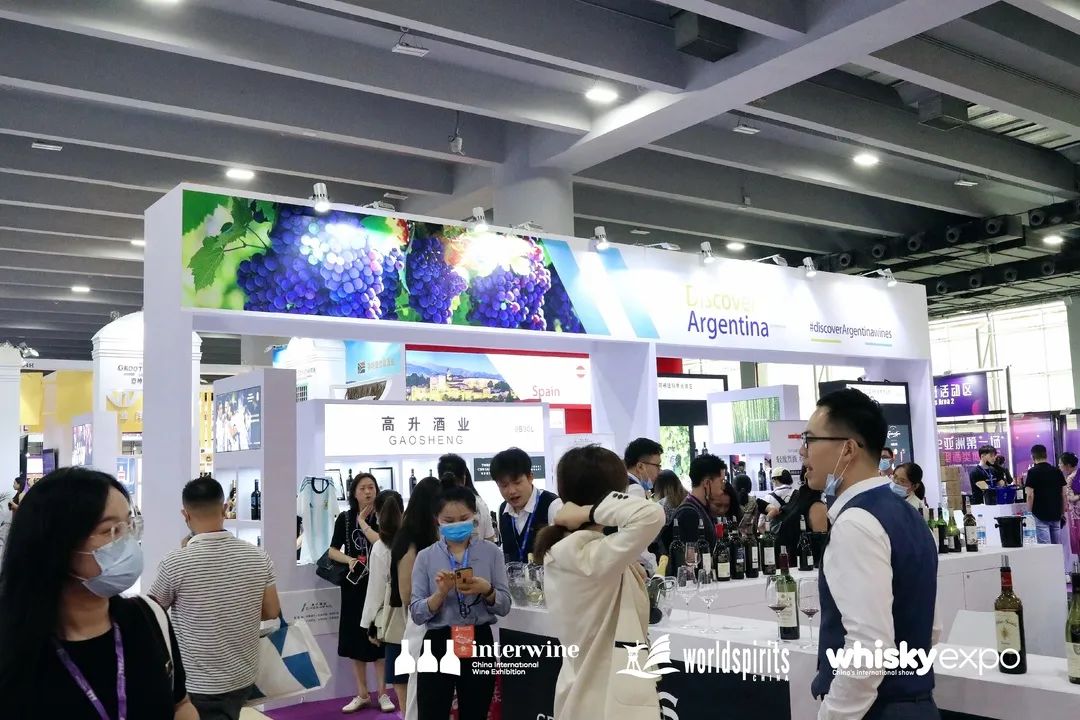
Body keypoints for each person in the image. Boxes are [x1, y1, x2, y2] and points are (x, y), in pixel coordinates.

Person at [0, 468, 197, 719]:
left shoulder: (148, 617)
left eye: (129, 525)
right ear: (57, 543)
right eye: (110, 531)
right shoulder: (11, 643)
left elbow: (180, 704)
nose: (127, 541)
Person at [802, 389, 940, 720]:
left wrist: (832, 715)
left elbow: (868, 648)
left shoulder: (856, 523)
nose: (803, 452)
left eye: (810, 439)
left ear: (848, 449)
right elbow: (930, 628)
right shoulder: (908, 514)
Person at [534, 445, 666, 720]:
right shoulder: (587, 553)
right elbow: (652, 514)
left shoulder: (569, 549)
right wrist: (589, 512)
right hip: (608, 697)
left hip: (581, 689)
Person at [150, 476, 280, 720]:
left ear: (185, 515)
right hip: (243, 677)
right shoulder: (257, 556)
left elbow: (151, 612)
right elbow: (272, 611)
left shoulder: (176, 562)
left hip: (196, 682)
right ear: (225, 508)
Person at [410, 485, 511, 720]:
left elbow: (505, 605)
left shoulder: (491, 553)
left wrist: (487, 590)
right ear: (437, 520)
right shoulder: (425, 557)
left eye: (464, 518)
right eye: (449, 520)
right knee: (432, 712)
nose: (457, 524)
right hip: (438, 642)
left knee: (476, 711)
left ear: (474, 516)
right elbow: (416, 613)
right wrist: (439, 594)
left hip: (479, 639)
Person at [328, 472, 386, 713]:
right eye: (362, 488)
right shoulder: (345, 518)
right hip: (353, 587)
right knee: (355, 640)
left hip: (380, 586)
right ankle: (362, 693)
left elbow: (388, 543)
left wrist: (366, 524)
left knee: (380, 639)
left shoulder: (383, 516)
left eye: (371, 487)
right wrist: (349, 559)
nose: (368, 492)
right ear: (353, 492)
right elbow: (332, 550)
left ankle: (383, 693)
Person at [390, 477, 443, 720]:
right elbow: (407, 594)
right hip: (421, 626)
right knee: (418, 692)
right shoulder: (410, 540)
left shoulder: (433, 537)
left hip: (437, 624)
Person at [360, 489, 405, 713]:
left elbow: (376, 590)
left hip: (394, 620)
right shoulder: (415, 540)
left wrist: (369, 623)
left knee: (401, 682)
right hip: (421, 616)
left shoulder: (380, 547)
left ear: (378, 514)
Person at [492, 447, 562, 563]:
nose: (511, 491)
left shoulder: (553, 506)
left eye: (517, 483)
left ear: (530, 477)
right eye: (504, 485)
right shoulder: (502, 510)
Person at [672, 454, 731, 548]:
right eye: (721, 482)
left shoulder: (700, 508)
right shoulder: (689, 513)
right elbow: (692, 554)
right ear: (707, 483)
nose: (723, 488)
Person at [438, 454, 496, 542]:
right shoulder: (479, 503)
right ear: (464, 478)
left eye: (464, 519)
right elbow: (489, 538)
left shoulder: (436, 504)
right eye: (449, 521)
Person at [1025, 444, 1067, 546]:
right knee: (1057, 546)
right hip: (1056, 513)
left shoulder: (1032, 472)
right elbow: (1064, 494)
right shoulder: (1057, 471)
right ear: (1046, 455)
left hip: (1040, 514)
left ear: (1032, 457)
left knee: (1045, 547)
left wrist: (1029, 513)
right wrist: (1062, 512)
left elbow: (1030, 495)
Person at [1061, 452, 1080, 565]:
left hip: (1075, 516)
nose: (1060, 466)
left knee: (1078, 541)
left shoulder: (1070, 478)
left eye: (1061, 463)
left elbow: (1071, 498)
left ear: (1067, 465)